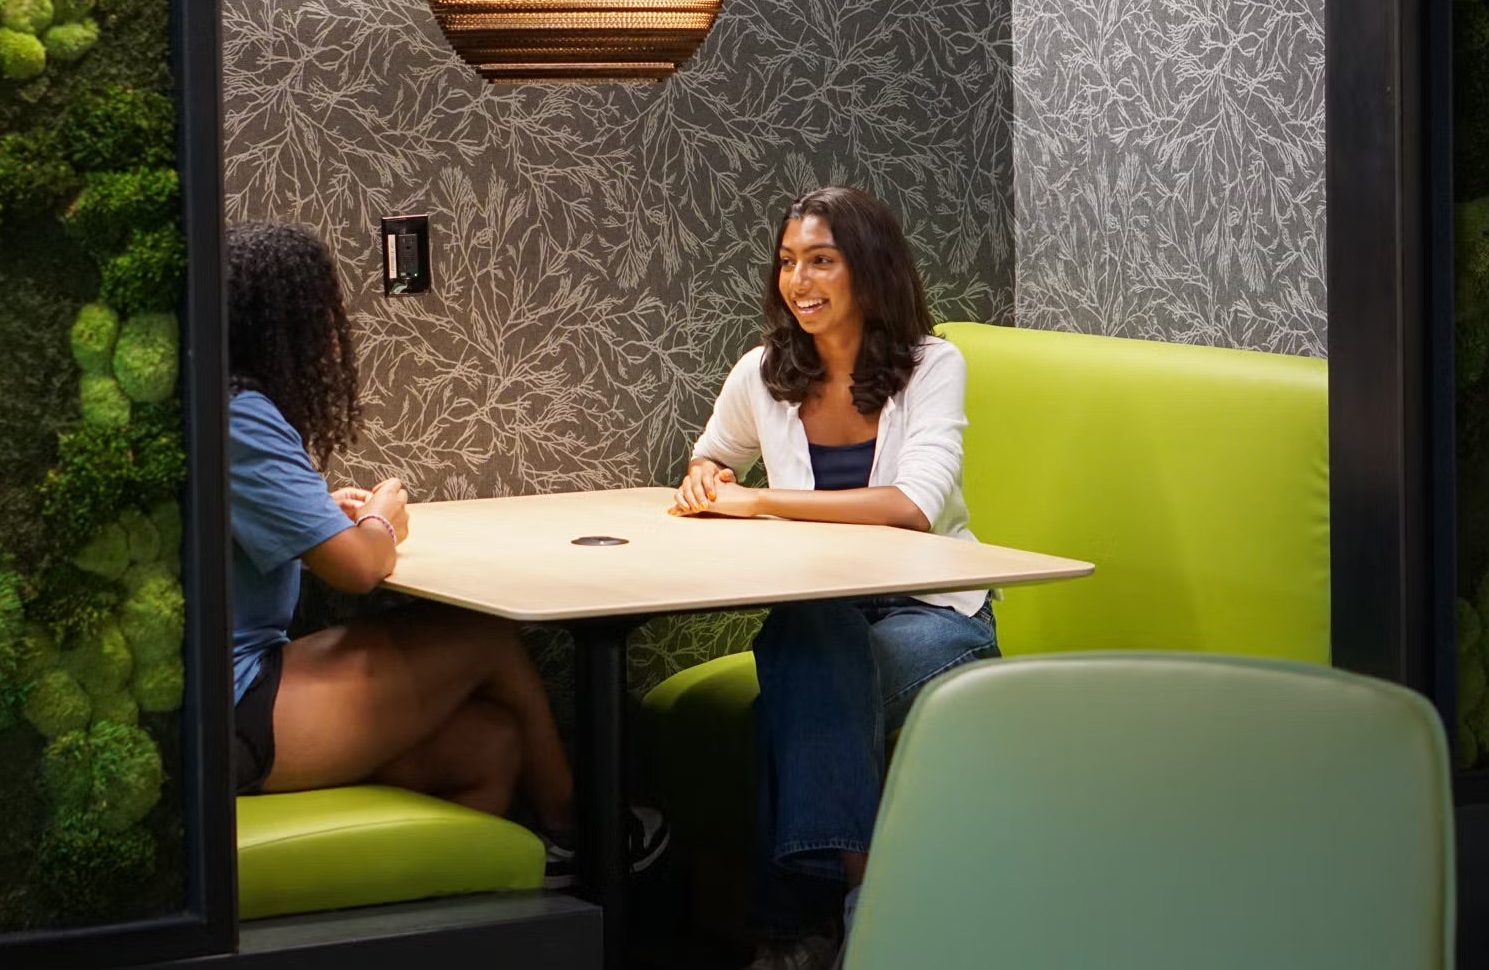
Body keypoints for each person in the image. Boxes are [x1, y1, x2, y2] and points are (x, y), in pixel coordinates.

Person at [225, 221, 665, 883]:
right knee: (484, 634)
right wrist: (380, 518)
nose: (334, 331)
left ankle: (489, 914)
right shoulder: (242, 416)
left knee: (490, 748)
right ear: (284, 322)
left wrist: (324, 513)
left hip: (249, 685)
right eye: (322, 311)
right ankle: (581, 826)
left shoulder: (223, 405)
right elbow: (361, 567)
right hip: (228, 713)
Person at [670, 186, 998, 969]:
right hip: (827, 612)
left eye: (822, 260)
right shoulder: (763, 372)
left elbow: (913, 505)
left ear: (870, 269)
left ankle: (795, 931)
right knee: (807, 634)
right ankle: (860, 903)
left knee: (794, 688)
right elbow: (713, 455)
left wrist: (756, 502)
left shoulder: (931, 365)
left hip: (934, 615)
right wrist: (704, 480)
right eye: (788, 261)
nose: (799, 280)